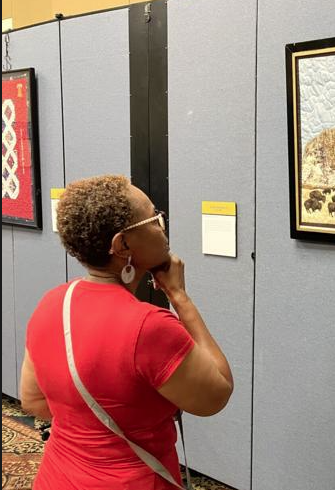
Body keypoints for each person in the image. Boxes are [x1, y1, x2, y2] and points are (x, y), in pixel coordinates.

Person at [20, 174, 234, 489]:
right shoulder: (150, 326)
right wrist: (180, 298)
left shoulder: (52, 302)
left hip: (57, 476)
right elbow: (217, 393)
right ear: (122, 245)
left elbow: (33, 401)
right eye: (154, 219)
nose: (162, 227)